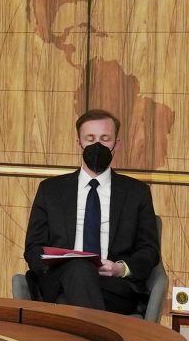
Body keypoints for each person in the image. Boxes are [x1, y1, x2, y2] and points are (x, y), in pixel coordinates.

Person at [21, 108, 159, 316]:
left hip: (113, 286)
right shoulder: (50, 190)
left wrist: (120, 268)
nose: (97, 145)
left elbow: (149, 250)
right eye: (90, 138)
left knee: (69, 299)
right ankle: (99, 335)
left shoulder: (136, 192)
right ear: (79, 143)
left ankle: (82, 332)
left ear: (117, 144)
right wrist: (54, 265)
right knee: (78, 269)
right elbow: (33, 247)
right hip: (60, 281)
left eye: (105, 139)